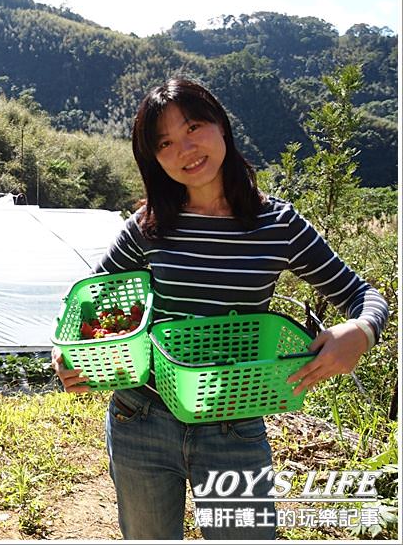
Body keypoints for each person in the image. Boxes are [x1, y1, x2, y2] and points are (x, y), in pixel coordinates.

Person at [51, 78, 389, 540]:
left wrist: (361, 331)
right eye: (166, 143)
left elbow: (363, 295)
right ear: (154, 158)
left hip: (233, 423)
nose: (185, 149)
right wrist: (71, 354)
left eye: (194, 128)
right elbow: (88, 302)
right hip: (141, 418)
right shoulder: (147, 227)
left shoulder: (279, 225)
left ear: (222, 128)